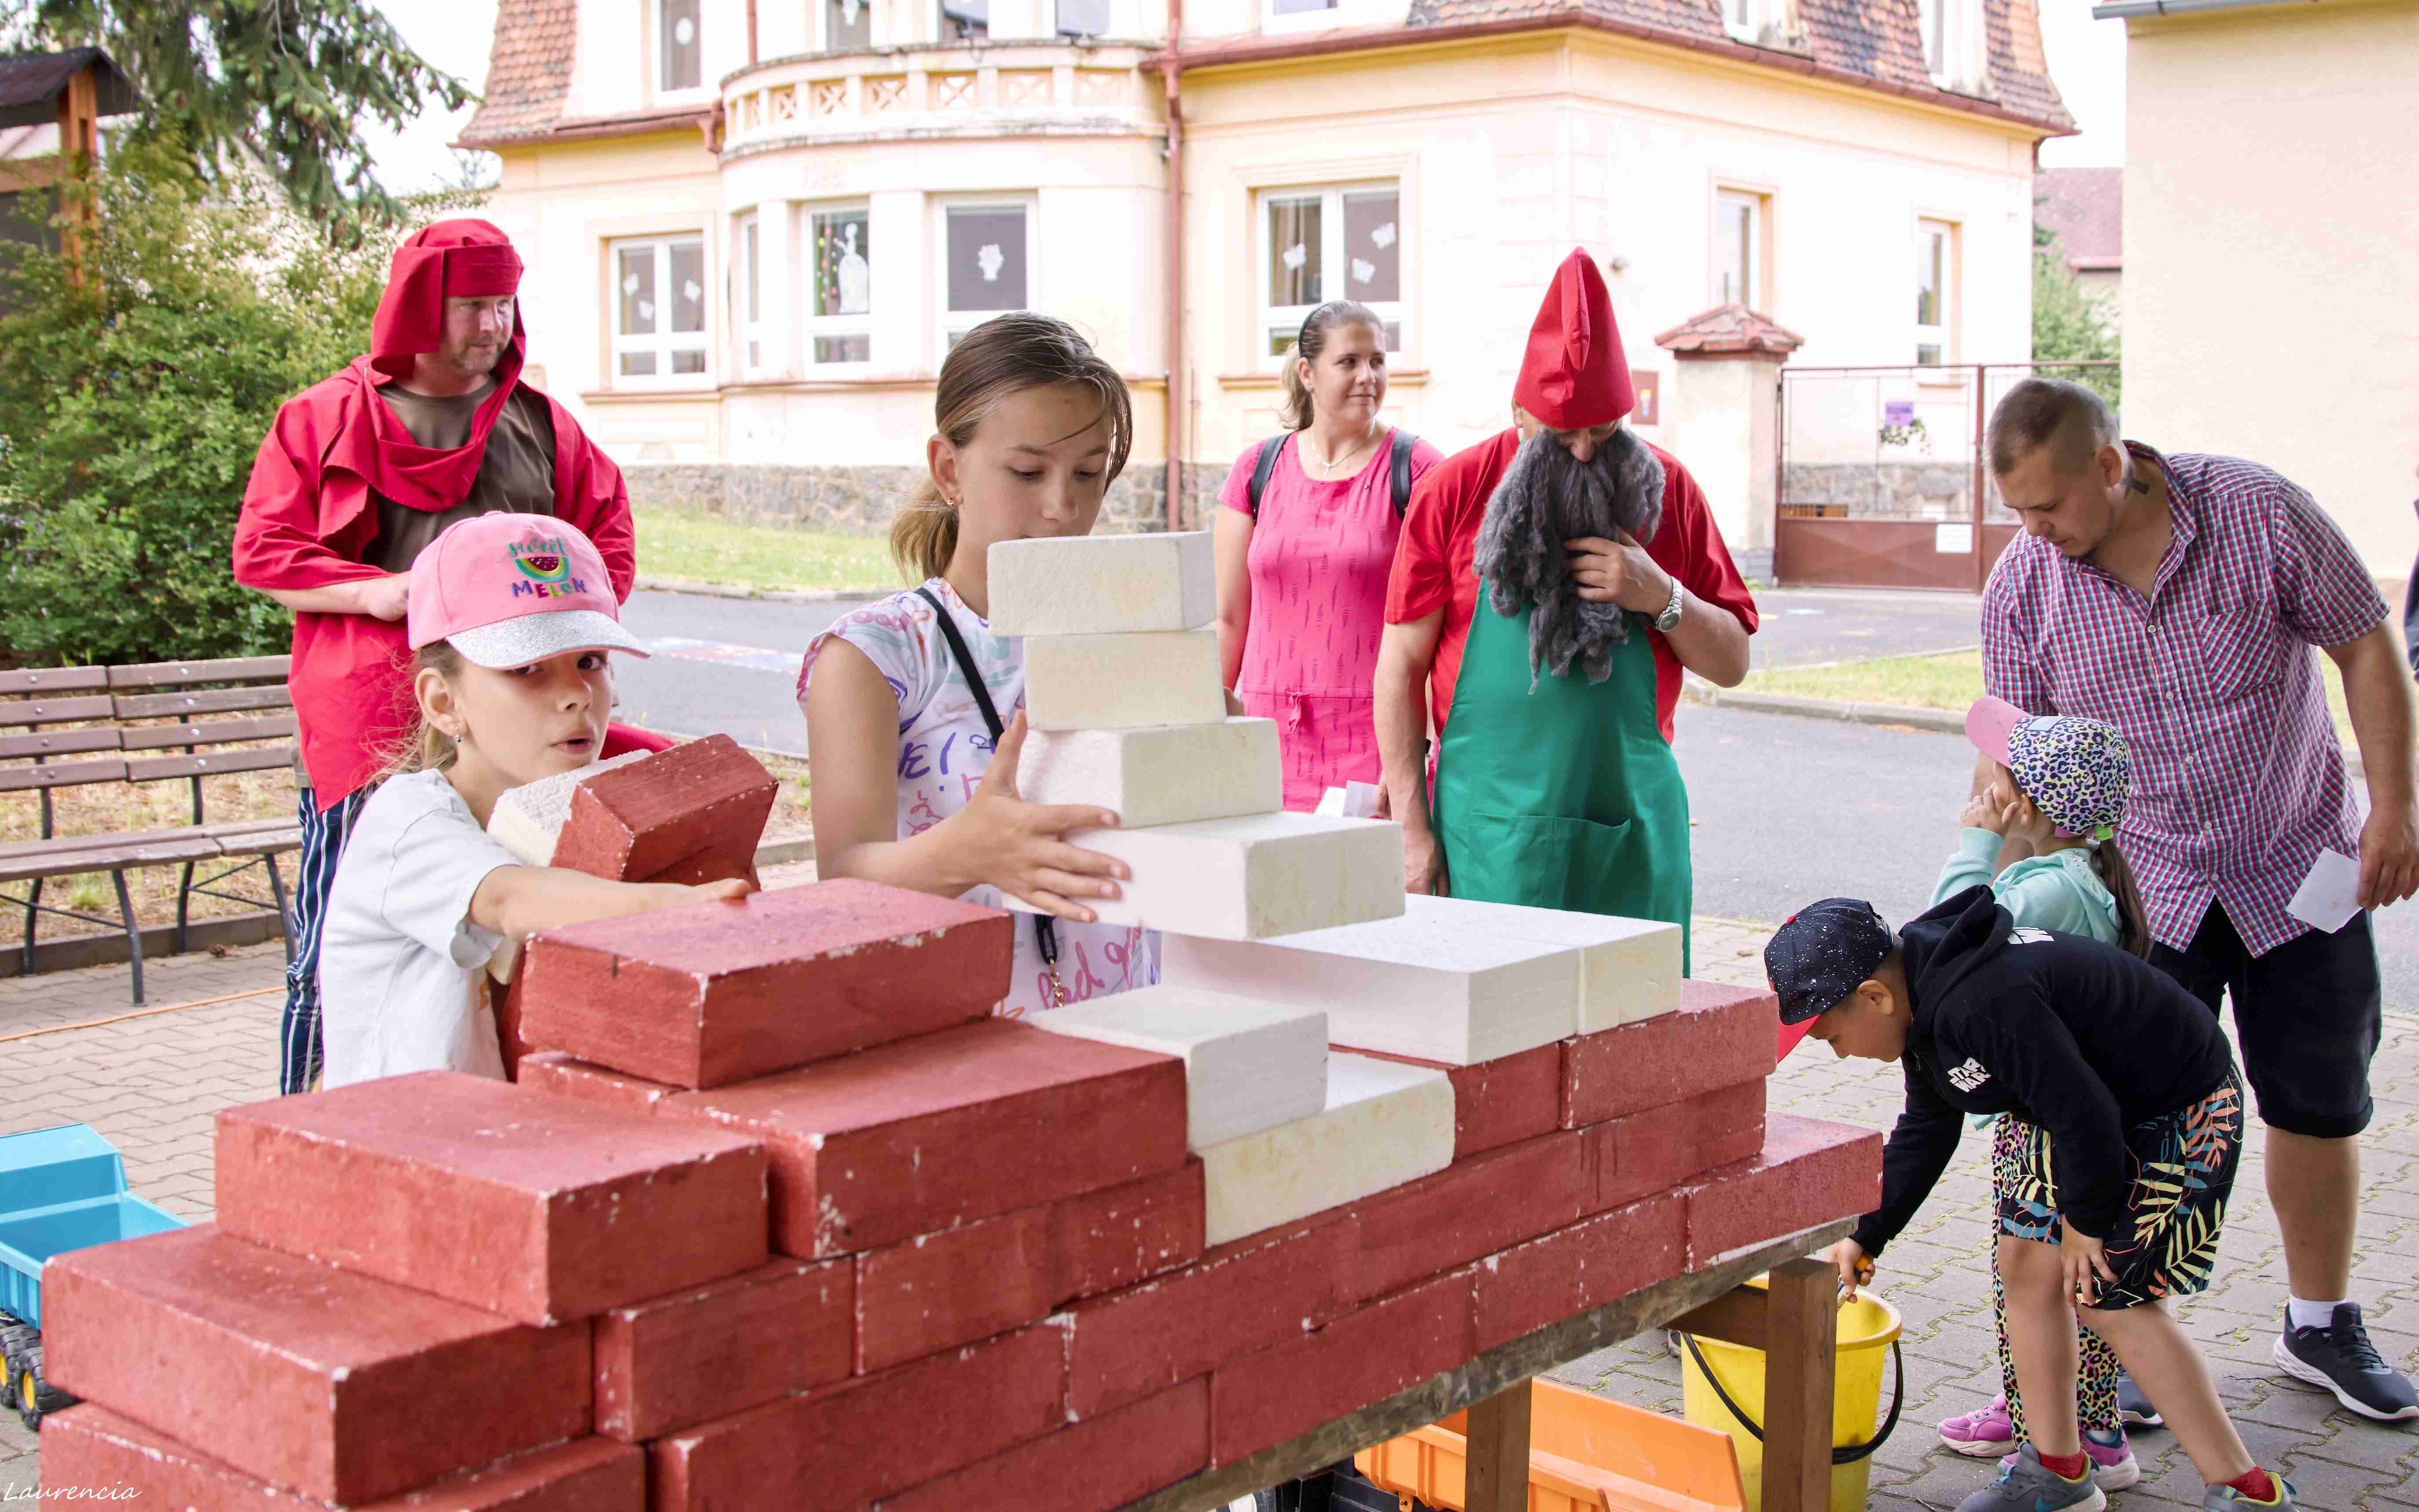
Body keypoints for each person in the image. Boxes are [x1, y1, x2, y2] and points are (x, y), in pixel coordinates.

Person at [1981, 377, 2419, 1422]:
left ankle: (2317, 1324)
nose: (2034, 533)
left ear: (2107, 463)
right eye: (2017, 515)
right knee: (2127, 1118)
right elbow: (2014, 768)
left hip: (2292, 866)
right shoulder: (2022, 589)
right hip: (2139, 891)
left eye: (2047, 507)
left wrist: (2394, 808)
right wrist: (2008, 916)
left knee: (2316, 1104)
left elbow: (2362, 639)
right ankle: (2132, 1343)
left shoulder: (2254, 513)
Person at [232, 219, 643, 1096]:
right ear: (421, 308)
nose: (492, 326)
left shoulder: (536, 421)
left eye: (503, 304)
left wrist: (570, 635)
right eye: (471, 305)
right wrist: (374, 594)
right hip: (371, 721)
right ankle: (306, 1130)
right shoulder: (322, 418)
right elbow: (265, 554)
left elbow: (604, 531)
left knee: (507, 952)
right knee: (336, 950)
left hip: (517, 729)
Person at [1774, 891, 2295, 1512]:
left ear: (1874, 996)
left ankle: (2247, 1490)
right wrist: (1868, 1233)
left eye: (1833, 1037)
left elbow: (2086, 1114)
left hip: (2178, 1102)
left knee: (2104, 1293)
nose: (1839, 1054)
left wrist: (2084, 1224)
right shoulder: (1922, 1010)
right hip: (2087, 1108)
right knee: (2024, 1263)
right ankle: (2057, 1472)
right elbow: (1927, 1128)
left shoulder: (1980, 1002)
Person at [1374, 248, 1755, 963]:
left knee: (1636, 1050)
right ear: (1518, 411)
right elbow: (1399, 667)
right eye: (1560, 435)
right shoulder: (1453, 493)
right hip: (1488, 840)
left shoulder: (1669, 493)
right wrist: (1410, 827)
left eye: (1602, 434)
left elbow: (1733, 661)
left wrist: (1661, 596)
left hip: (1629, 840)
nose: (1582, 456)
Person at [799, 313, 1154, 1015]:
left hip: (1133, 1026)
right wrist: (966, 851)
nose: (1064, 506)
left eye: (1090, 473)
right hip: (959, 1050)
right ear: (949, 468)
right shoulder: (875, 655)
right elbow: (839, 883)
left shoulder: (1131, 636)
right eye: (1027, 471)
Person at [317, 516, 748, 1091]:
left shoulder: (576, 814)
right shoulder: (408, 820)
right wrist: (675, 908)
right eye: (526, 669)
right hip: (393, 1149)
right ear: (444, 702)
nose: (575, 696)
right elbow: (506, 899)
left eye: (590, 661)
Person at [1921, 699, 2149, 1487]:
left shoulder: (2049, 891)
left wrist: (1975, 845)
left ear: (2026, 801)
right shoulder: (2076, 876)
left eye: (1997, 773)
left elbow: (1946, 940)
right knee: (2070, 1281)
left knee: (2028, 1285)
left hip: (2046, 1130)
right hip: (2073, 1117)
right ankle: (2092, 1429)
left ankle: (2047, 1438)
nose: (1981, 780)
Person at [1212, 301, 1442, 811]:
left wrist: (1411, 760)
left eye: (1378, 361)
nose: (1368, 377)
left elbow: (1438, 637)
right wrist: (1199, 732)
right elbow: (1229, 620)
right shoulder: (1257, 469)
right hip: (1261, 741)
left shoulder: (1418, 470)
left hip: (1374, 747)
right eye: (1349, 362)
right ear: (1307, 373)